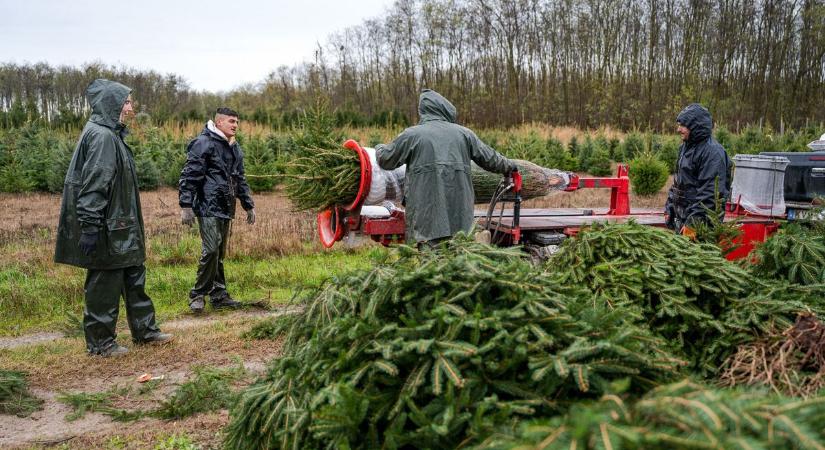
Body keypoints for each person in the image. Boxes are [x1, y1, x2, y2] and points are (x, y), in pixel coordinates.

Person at [55, 79, 171, 357]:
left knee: (134, 275)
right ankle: (101, 342)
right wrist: (91, 226)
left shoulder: (111, 133)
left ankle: (145, 330)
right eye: (127, 102)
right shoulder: (103, 137)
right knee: (105, 282)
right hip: (108, 227)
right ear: (112, 104)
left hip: (122, 225)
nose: (130, 108)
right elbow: (95, 183)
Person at [376, 89, 517, 246]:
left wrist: (379, 147)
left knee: (430, 265)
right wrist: (511, 166)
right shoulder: (465, 134)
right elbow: (492, 159)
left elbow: (385, 160)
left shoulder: (412, 135)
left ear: (424, 111)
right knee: (458, 259)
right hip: (460, 217)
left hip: (426, 218)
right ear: (446, 110)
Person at [178, 107, 255, 314]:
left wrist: (248, 204)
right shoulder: (203, 143)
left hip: (225, 207)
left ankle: (219, 295)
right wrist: (186, 205)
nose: (235, 125)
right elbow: (190, 174)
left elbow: (240, 178)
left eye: (237, 122)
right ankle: (197, 294)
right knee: (211, 249)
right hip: (207, 205)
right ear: (219, 122)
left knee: (219, 253)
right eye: (231, 121)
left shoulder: (234, 147)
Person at [665, 103, 732, 234]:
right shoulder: (684, 148)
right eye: (679, 124)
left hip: (701, 226)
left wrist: (694, 223)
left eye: (683, 125)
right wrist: (670, 208)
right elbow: (678, 183)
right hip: (682, 220)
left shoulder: (712, 153)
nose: (678, 129)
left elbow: (711, 194)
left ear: (695, 126)